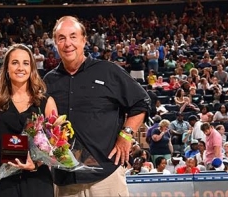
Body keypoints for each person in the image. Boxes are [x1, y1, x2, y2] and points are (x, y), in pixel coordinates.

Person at [43, 16, 150, 196]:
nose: (67, 43)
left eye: (73, 36)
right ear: (55, 43)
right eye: (61, 38)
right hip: (66, 181)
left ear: (84, 40)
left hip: (106, 177)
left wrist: (126, 135)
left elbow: (141, 103)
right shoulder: (48, 81)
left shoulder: (108, 71)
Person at [0, 44, 57, 197]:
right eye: (15, 63)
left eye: (26, 63)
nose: (20, 68)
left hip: (38, 179)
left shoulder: (46, 102)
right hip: (4, 180)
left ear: (32, 68)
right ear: (6, 68)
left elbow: (56, 146)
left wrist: (36, 164)